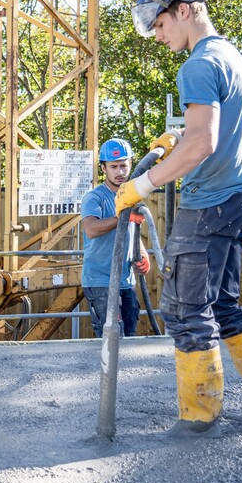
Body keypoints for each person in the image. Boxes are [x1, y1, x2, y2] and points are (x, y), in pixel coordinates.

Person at [118, 0, 242, 438]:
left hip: (209, 204)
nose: (158, 35)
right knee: (222, 306)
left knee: (184, 310)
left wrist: (143, 184)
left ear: (182, 9)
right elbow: (210, 135)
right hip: (240, 195)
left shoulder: (196, 64)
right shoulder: (231, 57)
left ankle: (199, 419)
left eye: (159, 24)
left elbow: (204, 144)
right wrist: (179, 138)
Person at [81, 138, 150, 338]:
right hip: (100, 281)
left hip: (126, 281)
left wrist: (143, 254)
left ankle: (124, 371)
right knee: (111, 337)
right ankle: (106, 371)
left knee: (129, 336)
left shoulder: (131, 197)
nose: (120, 172)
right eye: (114, 167)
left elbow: (131, 231)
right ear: (103, 168)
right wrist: (123, 217)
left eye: (124, 166)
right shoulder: (95, 198)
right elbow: (91, 229)